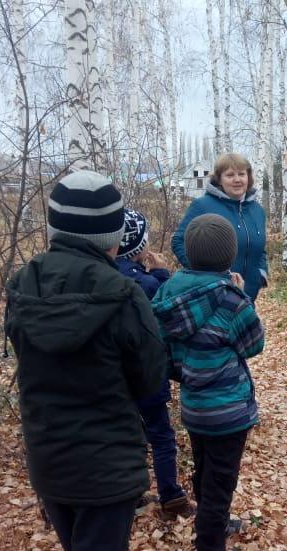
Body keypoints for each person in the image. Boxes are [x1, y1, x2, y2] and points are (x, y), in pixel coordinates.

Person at [4, 170, 167, 551]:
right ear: (112, 236)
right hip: (106, 450)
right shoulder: (122, 294)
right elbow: (150, 375)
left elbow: (22, 348)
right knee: (98, 550)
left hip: (46, 446)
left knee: (87, 547)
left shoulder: (23, 285)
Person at [152, 214, 265, 551]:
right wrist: (242, 293)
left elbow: (164, 343)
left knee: (205, 470)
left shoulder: (169, 290)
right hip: (228, 409)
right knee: (220, 480)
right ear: (228, 256)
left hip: (193, 404)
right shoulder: (230, 297)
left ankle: (210, 520)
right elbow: (253, 343)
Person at [114, 208, 194, 520]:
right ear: (138, 245)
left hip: (115, 375)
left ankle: (131, 493)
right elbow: (166, 304)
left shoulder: (104, 275)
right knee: (161, 436)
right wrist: (161, 272)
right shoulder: (146, 283)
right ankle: (171, 498)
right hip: (147, 374)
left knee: (127, 433)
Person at [172, 153, 269, 301]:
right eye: (230, 175)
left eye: (242, 174)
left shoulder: (257, 210)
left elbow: (260, 248)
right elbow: (178, 241)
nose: (237, 180)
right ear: (219, 179)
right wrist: (205, 276)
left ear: (248, 177)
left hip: (247, 299)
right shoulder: (203, 206)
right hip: (211, 298)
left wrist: (261, 274)